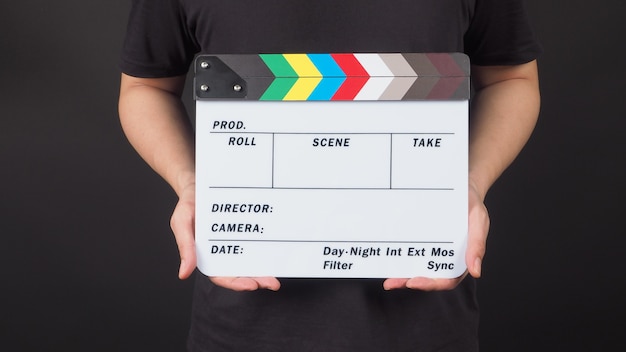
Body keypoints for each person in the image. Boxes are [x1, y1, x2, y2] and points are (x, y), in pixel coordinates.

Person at [118, 0, 541, 351]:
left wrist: (469, 182)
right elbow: (146, 87)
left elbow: (511, 77)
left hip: (426, 323)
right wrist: (192, 185)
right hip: (241, 325)